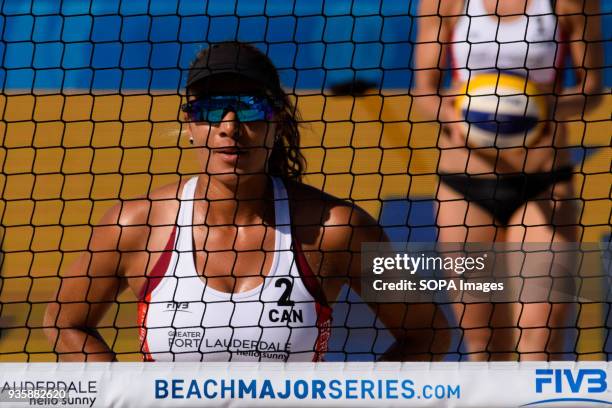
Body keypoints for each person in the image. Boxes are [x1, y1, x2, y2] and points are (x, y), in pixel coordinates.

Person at [43, 42, 449, 362]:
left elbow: (427, 335)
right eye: (212, 109)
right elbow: (64, 323)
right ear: (190, 125)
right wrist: (119, 393)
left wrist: (359, 397)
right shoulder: (135, 225)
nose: (230, 127)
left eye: (250, 108)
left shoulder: (335, 228)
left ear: (277, 122)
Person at [413, 0, 603, 361]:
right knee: (485, 350)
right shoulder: (444, 2)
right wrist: (456, 118)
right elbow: (425, 89)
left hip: (544, 183)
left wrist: (543, 109)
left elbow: (591, 85)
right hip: (465, 186)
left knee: (540, 343)